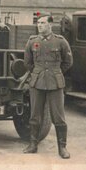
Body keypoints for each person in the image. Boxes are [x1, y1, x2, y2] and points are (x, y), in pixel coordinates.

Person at [23, 15, 73, 159]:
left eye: (43, 23)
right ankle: (33, 145)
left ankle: (62, 148)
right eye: (38, 23)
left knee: (58, 117)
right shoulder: (32, 41)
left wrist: (56, 73)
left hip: (55, 83)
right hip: (37, 83)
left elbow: (68, 62)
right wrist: (37, 73)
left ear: (50, 25)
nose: (39, 25)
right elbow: (27, 62)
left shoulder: (60, 41)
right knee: (35, 116)